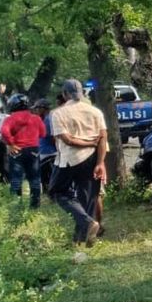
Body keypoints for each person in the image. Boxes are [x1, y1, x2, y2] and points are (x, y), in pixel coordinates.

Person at [49, 79, 108, 247]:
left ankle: (87, 226)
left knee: (57, 192)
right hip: (92, 158)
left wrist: (88, 143)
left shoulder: (58, 113)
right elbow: (103, 138)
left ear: (65, 94)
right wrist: (100, 162)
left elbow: (67, 140)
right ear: (81, 93)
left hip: (69, 159)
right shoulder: (95, 111)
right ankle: (83, 238)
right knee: (87, 197)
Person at [0, 94, 48, 207]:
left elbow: (4, 132)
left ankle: (16, 206)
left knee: (16, 179)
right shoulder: (36, 118)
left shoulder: (10, 119)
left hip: (17, 150)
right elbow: (43, 133)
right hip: (34, 150)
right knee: (35, 179)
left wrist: (11, 143)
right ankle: (35, 206)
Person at [31, 98, 57, 185]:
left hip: (48, 155)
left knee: (47, 180)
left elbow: (53, 138)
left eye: (37, 108)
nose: (36, 111)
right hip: (44, 153)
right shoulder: (45, 119)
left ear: (43, 108)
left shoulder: (48, 120)